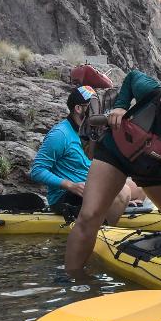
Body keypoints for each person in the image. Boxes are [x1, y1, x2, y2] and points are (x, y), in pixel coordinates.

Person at [64, 68, 161, 274]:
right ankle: (70, 280)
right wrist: (120, 106)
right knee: (88, 216)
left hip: (156, 170)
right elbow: (133, 76)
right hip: (115, 154)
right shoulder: (149, 90)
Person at [31, 86, 140, 223]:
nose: (97, 110)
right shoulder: (59, 135)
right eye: (92, 106)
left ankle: (115, 210)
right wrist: (70, 185)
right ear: (78, 109)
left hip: (92, 188)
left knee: (139, 186)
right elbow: (37, 170)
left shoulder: (92, 131)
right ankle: (100, 232)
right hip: (67, 196)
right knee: (123, 193)